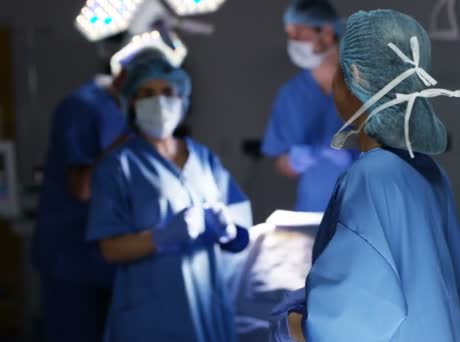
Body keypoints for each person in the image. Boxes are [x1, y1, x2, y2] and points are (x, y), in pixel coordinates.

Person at [272, 9, 460, 341]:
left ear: (357, 76)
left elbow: (340, 328)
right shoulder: (429, 170)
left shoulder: (371, 177)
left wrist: (288, 321)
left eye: (339, 70)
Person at [86, 57, 252, 342]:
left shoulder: (204, 158)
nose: (159, 102)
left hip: (209, 309)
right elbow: (110, 249)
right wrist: (162, 236)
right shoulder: (118, 166)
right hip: (152, 317)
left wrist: (229, 231)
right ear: (131, 103)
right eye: (147, 94)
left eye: (168, 92)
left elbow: (241, 239)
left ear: (182, 100)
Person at [32, 48, 166, 342]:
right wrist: (130, 135)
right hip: (71, 259)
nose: (153, 100)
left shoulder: (124, 111)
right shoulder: (81, 108)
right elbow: (82, 188)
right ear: (121, 76)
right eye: (144, 91)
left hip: (110, 259)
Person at [262, 0, 356, 212]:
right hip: (312, 215)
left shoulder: (366, 86)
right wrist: (295, 161)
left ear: (327, 32)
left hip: (365, 215)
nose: (293, 42)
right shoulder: (291, 94)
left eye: (299, 34)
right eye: (289, 34)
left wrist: (356, 154)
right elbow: (281, 163)